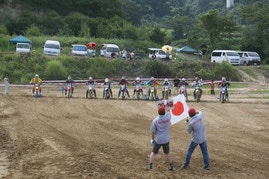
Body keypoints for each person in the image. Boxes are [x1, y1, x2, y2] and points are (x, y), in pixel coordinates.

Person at [147, 105, 173, 171]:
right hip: (166, 139)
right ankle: (170, 165)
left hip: (158, 139)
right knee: (167, 152)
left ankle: (150, 165)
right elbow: (169, 112)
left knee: (153, 152)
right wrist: (167, 108)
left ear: (158, 112)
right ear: (164, 112)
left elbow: (153, 131)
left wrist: (152, 139)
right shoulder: (168, 118)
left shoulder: (155, 120)